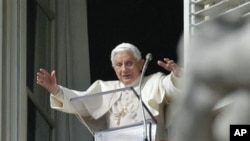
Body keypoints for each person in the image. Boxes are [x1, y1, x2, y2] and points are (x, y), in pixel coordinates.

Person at [36, 42, 182, 141]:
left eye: (129, 63)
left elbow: (170, 88)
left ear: (141, 64)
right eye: (119, 65)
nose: (124, 69)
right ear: (114, 68)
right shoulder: (106, 88)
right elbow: (79, 101)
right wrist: (56, 90)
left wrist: (176, 76)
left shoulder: (154, 81)